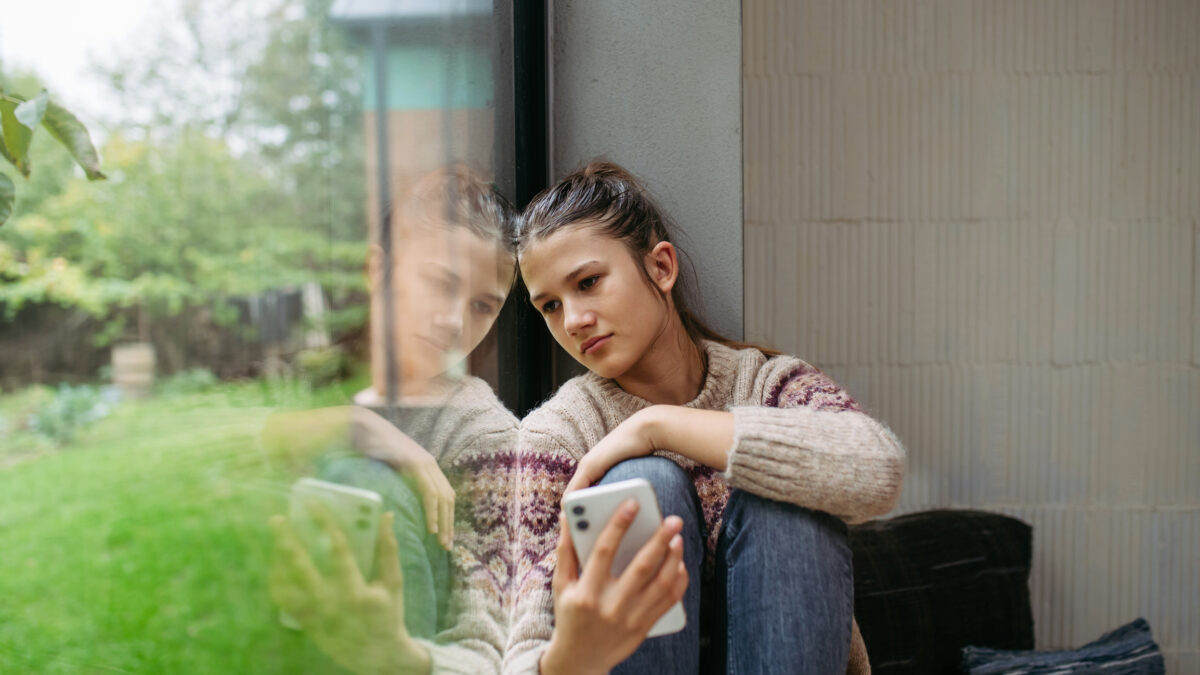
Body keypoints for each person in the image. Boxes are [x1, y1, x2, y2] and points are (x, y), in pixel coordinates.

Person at [505, 161, 906, 675]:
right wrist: (570, 656)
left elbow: (879, 469)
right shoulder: (557, 435)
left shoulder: (766, 385)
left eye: (589, 282)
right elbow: (520, 653)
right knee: (640, 484)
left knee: (781, 497)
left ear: (661, 268)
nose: (574, 321)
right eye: (550, 307)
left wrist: (657, 427)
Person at [266, 165, 519, 674]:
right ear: (377, 271)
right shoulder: (328, 392)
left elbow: (490, 638)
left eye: (481, 306)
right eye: (438, 284)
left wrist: (394, 656)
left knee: (366, 481)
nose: (453, 321)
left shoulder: (482, 430)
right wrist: (359, 427)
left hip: (408, 659)